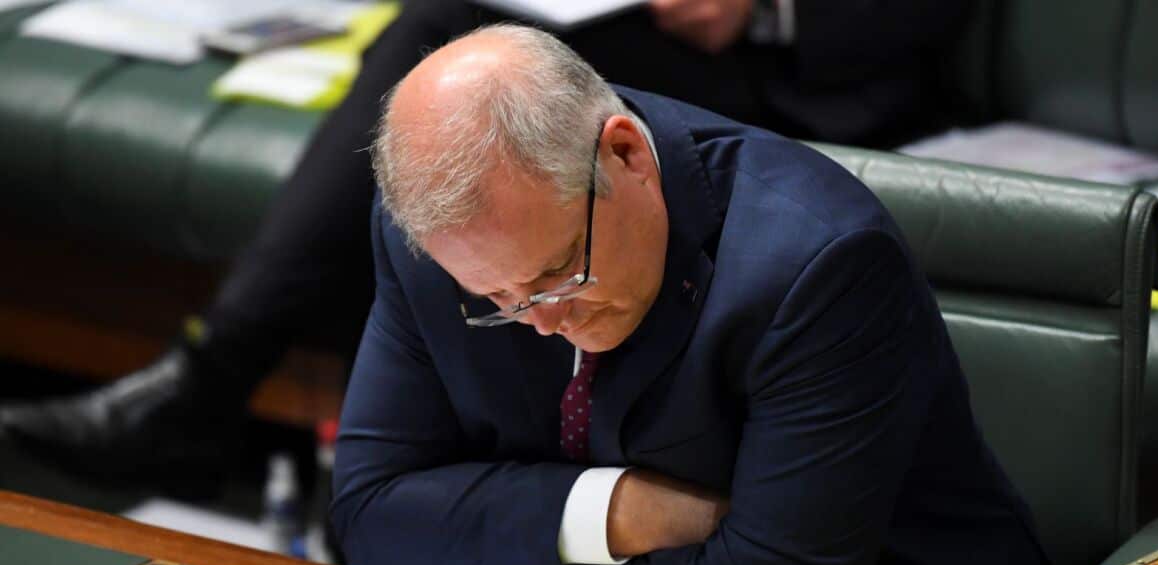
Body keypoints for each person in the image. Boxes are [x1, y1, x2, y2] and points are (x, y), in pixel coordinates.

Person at [333, 24, 1048, 565]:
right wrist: (617, 513)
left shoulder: (818, 261)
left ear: (625, 156)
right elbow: (369, 517)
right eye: (496, 298)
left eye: (557, 274)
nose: (541, 321)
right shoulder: (445, 244)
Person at [0, 0, 971, 488]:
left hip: (786, 66)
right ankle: (319, 429)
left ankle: (213, 384)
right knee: (451, 87)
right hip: (603, 26)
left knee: (457, 54)